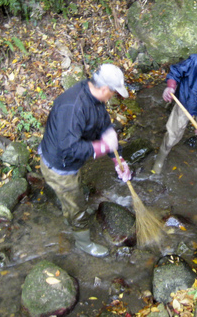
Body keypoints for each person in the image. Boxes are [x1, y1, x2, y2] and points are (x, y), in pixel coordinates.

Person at [38, 64, 132, 257]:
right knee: (77, 206)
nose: (114, 96)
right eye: (114, 92)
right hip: (59, 166)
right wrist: (102, 147)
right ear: (105, 89)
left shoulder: (93, 96)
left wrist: (118, 159)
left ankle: (69, 211)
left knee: (73, 194)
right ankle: (84, 243)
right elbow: (69, 148)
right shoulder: (72, 108)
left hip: (70, 164)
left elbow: (103, 125)